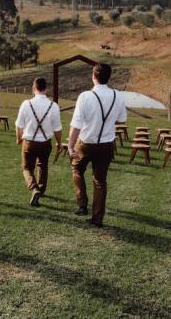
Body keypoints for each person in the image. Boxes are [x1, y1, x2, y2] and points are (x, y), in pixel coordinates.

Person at [67, 63, 127, 227]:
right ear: (109, 77)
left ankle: (82, 204)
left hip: (86, 142)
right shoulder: (118, 96)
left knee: (77, 168)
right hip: (106, 144)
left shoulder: (85, 96)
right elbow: (122, 119)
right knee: (100, 181)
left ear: (93, 76)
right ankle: (97, 218)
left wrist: (70, 145)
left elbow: (76, 124)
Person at [15, 77, 62, 207]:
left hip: (29, 141)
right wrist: (59, 143)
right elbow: (57, 128)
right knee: (43, 165)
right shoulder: (54, 106)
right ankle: (40, 189)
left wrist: (18, 138)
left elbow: (19, 125)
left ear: (33, 88)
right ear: (46, 89)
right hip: (45, 142)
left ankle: (34, 188)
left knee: (26, 167)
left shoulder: (26, 104)